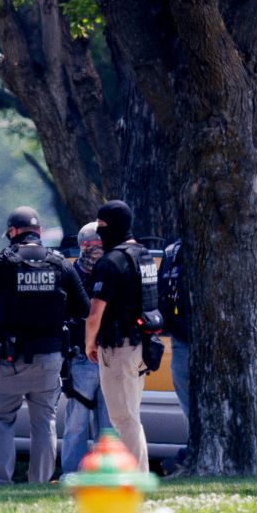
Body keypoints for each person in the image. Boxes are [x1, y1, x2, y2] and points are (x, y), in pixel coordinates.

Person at [0, 207, 89, 484]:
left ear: (12, 232)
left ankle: (0, 482)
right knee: (44, 423)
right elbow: (83, 307)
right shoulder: (59, 263)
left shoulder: (2, 262)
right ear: (40, 232)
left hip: (9, 360)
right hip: (49, 358)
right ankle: (40, 483)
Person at [84, 201, 157, 472]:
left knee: (123, 419)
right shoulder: (144, 255)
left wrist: (89, 344)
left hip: (119, 348)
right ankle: (136, 473)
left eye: (101, 226)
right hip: (141, 346)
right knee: (130, 416)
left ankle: (135, 478)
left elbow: (95, 314)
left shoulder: (110, 261)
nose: (99, 233)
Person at [59, 222, 113, 475]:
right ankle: (73, 474)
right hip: (81, 358)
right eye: (91, 245)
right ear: (82, 246)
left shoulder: (112, 271)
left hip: (110, 355)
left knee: (108, 425)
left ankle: (105, 476)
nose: (95, 250)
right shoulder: (71, 274)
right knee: (76, 424)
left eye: (99, 244)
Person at [159, 238, 192, 472]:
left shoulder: (215, 247)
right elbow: (161, 295)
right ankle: (195, 446)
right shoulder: (171, 253)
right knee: (187, 402)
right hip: (181, 340)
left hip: (214, 341)